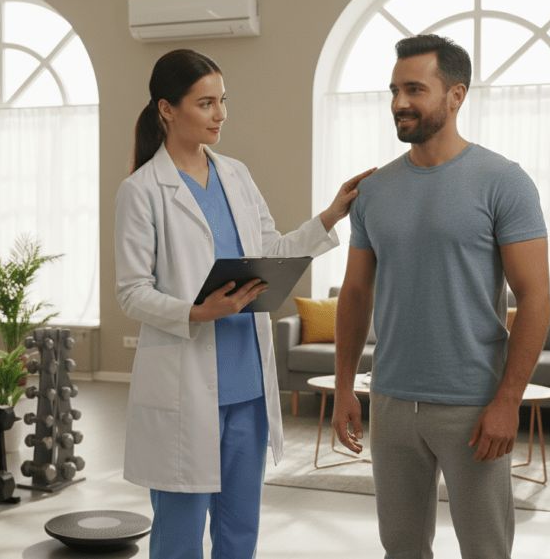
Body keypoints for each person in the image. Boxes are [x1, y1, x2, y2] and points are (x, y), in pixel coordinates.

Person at [115, 48, 373, 559]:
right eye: (206, 102)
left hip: (248, 390)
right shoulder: (142, 190)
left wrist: (329, 216)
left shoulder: (235, 174)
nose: (220, 114)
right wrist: (197, 312)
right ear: (167, 109)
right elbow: (131, 291)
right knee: (180, 539)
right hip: (185, 388)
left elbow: (269, 251)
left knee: (239, 533)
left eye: (223, 101)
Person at [331, 35, 550, 559]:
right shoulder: (374, 190)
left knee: (485, 548)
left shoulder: (504, 182)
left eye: (414, 89)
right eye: (393, 90)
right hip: (390, 399)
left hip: (473, 403)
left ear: (456, 95)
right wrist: (344, 388)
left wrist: (507, 400)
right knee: (401, 548)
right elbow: (356, 293)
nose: (399, 103)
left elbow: (535, 296)